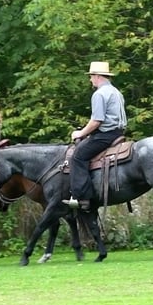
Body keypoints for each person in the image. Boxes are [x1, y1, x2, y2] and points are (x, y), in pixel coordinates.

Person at [63, 61, 127, 210]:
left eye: (91, 76)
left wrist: (80, 133)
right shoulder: (116, 92)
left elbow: (97, 121)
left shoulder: (99, 94)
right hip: (118, 133)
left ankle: (83, 198)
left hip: (105, 135)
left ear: (97, 76)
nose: (90, 79)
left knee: (78, 156)